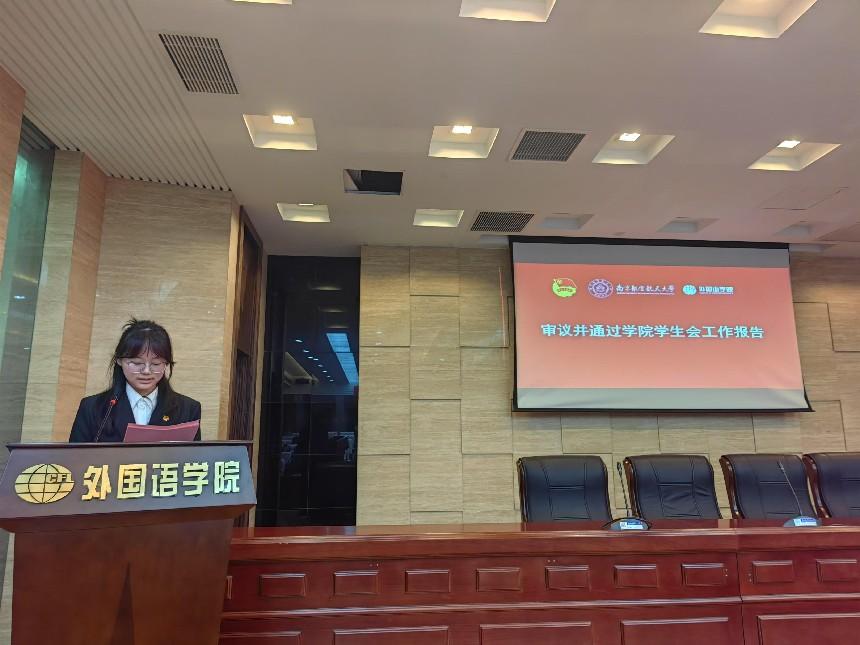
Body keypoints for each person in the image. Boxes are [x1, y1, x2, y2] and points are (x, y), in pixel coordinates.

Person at [69, 318, 201, 442]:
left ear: (166, 364)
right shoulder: (93, 407)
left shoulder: (188, 409)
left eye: (156, 364)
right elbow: (75, 456)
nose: (146, 371)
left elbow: (194, 457)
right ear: (119, 360)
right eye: (137, 363)